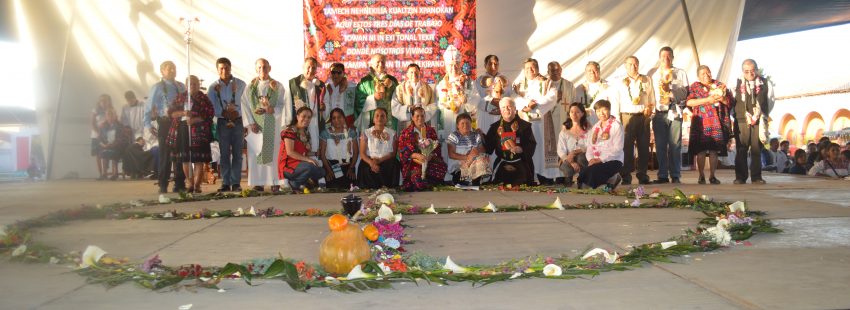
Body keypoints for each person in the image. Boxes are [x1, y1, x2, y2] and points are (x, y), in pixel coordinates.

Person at [242, 58, 286, 192]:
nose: (262, 70)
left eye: (265, 67)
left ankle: (275, 182)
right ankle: (258, 183)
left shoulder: (277, 86)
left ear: (269, 68)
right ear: (256, 69)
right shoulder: (250, 87)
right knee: (257, 152)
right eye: (260, 67)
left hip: (273, 125)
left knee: (274, 153)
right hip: (256, 126)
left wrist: (274, 110)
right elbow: (245, 105)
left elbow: (283, 104)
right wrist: (251, 123)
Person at [610, 56, 655, 185]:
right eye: (630, 64)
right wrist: (617, 121)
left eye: (635, 64)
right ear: (625, 66)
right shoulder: (619, 81)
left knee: (644, 147)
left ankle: (643, 174)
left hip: (643, 116)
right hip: (627, 117)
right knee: (627, 148)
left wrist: (651, 114)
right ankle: (626, 175)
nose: (633, 67)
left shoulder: (646, 79)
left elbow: (651, 98)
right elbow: (615, 101)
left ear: (638, 65)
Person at [646, 47, 689, 184]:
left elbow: (685, 93)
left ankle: (675, 175)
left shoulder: (680, 73)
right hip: (659, 113)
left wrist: (670, 95)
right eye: (663, 56)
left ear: (673, 57)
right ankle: (663, 175)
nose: (666, 58)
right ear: (659, 58)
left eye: (669, 56)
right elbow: (648, 93)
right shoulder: (652, 73)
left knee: (675, 145)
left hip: (674, 112)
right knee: (660, 145)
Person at [144, 61, 187, 193]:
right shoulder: (157, 87)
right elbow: (148, 106)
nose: (173, 70)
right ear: (162, 71)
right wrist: (148, 124)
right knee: (165, 154)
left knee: (180, 154)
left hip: (180, 122)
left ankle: (179, 183)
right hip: (165, 123)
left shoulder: (181, 86)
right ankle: (163, 184)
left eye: (174, 68)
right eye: (169, 69)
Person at [512, 58, 558, 184]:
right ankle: (528, 174)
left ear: (537, 68)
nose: (530, 70)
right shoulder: (518, 83)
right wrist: (526, 104)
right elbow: (513, 97)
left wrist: (535, 105)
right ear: (524, 70)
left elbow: (552, 97)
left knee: (541, 146)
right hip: (524, 120)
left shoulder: (546, 82)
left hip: (541, 122)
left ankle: (544, 175)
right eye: (527, 68)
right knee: (527, 146)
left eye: (533, 67)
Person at [167, 75, 214, 193]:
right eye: (190, 84)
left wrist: (196, 119)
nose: (192, 86)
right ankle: (190, 183)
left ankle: (197, 185)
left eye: (195, 83)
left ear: (198, 85)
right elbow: (171, 113)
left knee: (198, 159)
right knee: (185, 158)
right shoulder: (180, 97)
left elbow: (210, 113)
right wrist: (183, 113)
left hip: (199, 130)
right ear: (186, 85)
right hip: (183, 129)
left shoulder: (204, 98)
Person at [686, 65, 733, 185]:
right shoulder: (695, 86)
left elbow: (729, 102)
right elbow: (689, 102)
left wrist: (721, 98)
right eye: (703, 74)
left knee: (714, 151)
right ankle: (701, 175)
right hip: (701, 123)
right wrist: (707, 100)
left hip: (716, 122)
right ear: (698, 76)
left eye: (708, 72)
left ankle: (712, 176)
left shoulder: (720, 85)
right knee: (701, 151)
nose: (706, 75)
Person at [207, 57, 247, 192]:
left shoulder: (241, 84)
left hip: (238, 121)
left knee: (237, 153)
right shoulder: (213, 87)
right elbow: (211, 106)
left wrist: (237, 112)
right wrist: (222, 113)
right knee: (224, 153)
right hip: (223, 122)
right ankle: (225, 182)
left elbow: (246, 103)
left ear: (230, 68)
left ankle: (236, 183)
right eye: (221, 68)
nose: (224, 71)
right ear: (217, 70)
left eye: (226, 68)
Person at [733, 59, 773, 185]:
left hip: (758, 120)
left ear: (756, 70)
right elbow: (732, 101)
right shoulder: (736, 83)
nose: (750, 73)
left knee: (756, 149)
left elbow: (770, 100)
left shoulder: (765, 83)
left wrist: (761, 115)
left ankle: (756, 177)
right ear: (742, 71)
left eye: (752, 70)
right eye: (746, 71)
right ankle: (740, 177)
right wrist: (736, 115)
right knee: (741, 149)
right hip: (741, 120)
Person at [485, 97, 536, 185]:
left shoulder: (525, 126)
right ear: (500, 111)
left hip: (521, 162)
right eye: (503, 107)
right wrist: (481, 136)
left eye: (509, 106)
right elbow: (488, 148)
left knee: (523, 185)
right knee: (499, 185)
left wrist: (521, 149)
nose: (506, 109)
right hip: (502, 163)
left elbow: (531, 144)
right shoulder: (494, 127)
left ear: (515, 109)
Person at [577, 100, 623, 189]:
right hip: (596, 160)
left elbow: (618, 149)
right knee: (583, 174)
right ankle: (612, 178)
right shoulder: (595, 127)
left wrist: (600, 159)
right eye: (598, 111)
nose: (601, 113)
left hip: (613, 160)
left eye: (604, 110)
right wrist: (591, 159)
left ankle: (613, 178)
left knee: (593, 172)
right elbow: (590, 147)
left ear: (609, 110)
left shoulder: (616, 126)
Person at [398, 107, 447, 191]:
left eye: (422, 116)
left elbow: (437, 147)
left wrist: (430, 155)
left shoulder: (431, 130)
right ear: (412, 117)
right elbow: (402, 151)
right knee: (417, 180)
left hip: (430, 160)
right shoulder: (406, 132)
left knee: (440, 167)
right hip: (413, 162)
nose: (420, 118)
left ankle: (430, 183)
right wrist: (416, 155)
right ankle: (422, 184)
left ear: (425, 117)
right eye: (417, 116)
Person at [436, 45, 479, 139]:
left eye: (456, 64)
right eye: (450, 65)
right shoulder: (442, 83)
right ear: (446, 66)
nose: (453, 67)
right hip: (448, 119)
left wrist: (466, 101)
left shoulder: (468, 82)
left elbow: (476, 98)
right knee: (449, 142)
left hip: (464, 118)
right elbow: (438, 103)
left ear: (460, 64)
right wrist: (446, 104)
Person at [287, 57, 326, 160]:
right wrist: (289, 123)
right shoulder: (293, 83)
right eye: (308, 67)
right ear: (303, 67)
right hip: (301, 122)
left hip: (316, 122)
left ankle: (316, 162)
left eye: (313, 68)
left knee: (316, 144)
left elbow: (326, 103)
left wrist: (324, 107)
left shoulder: (321, 85)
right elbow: (288, 105)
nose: (310, 70)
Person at [279, 107, 325, 190]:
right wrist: (308, 159)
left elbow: (304, 153)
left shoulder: (306, 133)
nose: (306, 119)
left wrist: (315, 153)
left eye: (309, 117)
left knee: (322, 171)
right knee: (310, 167)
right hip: (288, 166)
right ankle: (294, 184)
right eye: (303, 116)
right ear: (297, 116)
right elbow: (290, 152)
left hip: (301, 164)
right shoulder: (289, 131)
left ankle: (299, 182)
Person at [357, 107, 400, 189]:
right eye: (377, 116)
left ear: (386, 119)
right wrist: (371, 163)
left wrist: (379, 160)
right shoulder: (366, 133)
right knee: (363, 165)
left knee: (394, 163)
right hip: (370, 161)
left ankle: (390, 188)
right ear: (373, 119)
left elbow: (393, 153)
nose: (379, 118)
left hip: (386, 160)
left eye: (382, 116)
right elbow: (362, 153)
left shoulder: (393, 133)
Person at [355, 54, 398, 132]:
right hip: (370, 120)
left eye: (383, 62)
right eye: (378, 62)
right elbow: (359, 103)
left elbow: (399, 99)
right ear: (371, 64)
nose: (381, 64)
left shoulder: (392, 80)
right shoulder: (365, 82)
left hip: (389, 121)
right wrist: (372, 98)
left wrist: (392, 85)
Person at [319, 108, 358, 189]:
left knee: (350, 188)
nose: (337, 120)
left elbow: (356, 152)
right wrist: (328, 170)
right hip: (332, 166)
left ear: (344, 118)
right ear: (331, 120)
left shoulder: (351, 132)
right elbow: (322, 155)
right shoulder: (325, 133)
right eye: (334, 118)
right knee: (335, 188)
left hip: (348, 166)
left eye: (339, 117)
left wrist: (351, 168)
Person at [447, 113, 490, 185]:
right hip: (458, 165)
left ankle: (475, 181)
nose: (465, 125)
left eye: (468, 123)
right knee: (463, 176)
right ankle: (461, 180)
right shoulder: (453, 136)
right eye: (462, 123)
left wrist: (475, 151)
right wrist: (468, 157)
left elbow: (483, 150)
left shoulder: (476, 136)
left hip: (474, 163)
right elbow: (451, 154)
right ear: (457, 125)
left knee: (482, 160)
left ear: (471, 124)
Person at [392, 63, 436, 130]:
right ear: (407, 74)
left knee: (423, 136)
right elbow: (395, 107)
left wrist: (422, 110)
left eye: (416, 72)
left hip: (423, 122)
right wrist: (408, 108)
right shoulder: (400, 88)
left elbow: (433, 105)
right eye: (411, 72)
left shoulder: (428, 88)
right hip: (407, 123)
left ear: (420, 73)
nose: (414, 74)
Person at [475, 55, 512, 129]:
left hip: (501, 115)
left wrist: (501, 105)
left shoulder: (505, 80)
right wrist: (491, 104)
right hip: (486, 116)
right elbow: (476, 99)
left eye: (496, 64)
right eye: (490, 63)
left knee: (500, 134)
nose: (493, 66)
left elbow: (509, 96)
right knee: (485, 134)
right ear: (485, 65)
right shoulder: (479, 80)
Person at [557, 102, 590, 186]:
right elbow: (560, 149)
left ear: (582, 114)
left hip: (583, 156)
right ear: (569, 114)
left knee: (581, 158)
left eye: (577, 112)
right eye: (572, 112)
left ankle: (582, 179)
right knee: (566, 166)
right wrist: (571, 162)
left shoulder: (588, 129)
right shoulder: (565, 131)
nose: (574, 114)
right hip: (568, 157)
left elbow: (591, 145)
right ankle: (568, 179)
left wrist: (576, 151)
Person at [99, 109, 132, 180]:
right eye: (108, 115)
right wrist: (103, 145)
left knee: (114, 151)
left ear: (115, 116)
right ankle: (104, 174)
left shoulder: (119, 126)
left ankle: (115, 173)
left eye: (112, 115)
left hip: (118, 146)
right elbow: (100, 138)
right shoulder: (103, 126)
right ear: (106, 117)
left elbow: (120, 139)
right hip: (107, 146)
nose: (110, 117)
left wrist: (111, 145)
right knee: (103, 152)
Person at [574, 61, 609, 126]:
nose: (592, 72)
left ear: (599, 71)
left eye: (594, 70)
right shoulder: (578, 89)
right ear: (585, 73)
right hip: (584, 123)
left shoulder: (608, 86)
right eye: (589, 70)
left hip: (602, 123)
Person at [323, 62, 357, 127]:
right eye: (333, 72)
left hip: (347, 122)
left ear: (344, 73)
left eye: (339, 72)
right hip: (331, 122)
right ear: (330, 74)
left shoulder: (352, 87)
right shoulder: (326, 88)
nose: (336, 75)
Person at [91, 94, 113, 180]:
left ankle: (105, 172)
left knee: (105, 153)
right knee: (98, 155)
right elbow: (92, 123)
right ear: (99, 102)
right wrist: (99, 133)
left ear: (109, 101)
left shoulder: (111, 110)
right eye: (101, 100)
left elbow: (113, 122)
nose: (103, 102)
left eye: (105, 100)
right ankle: (101, 174)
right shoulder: (95, 110)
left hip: (107, 136)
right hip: (96, 135)